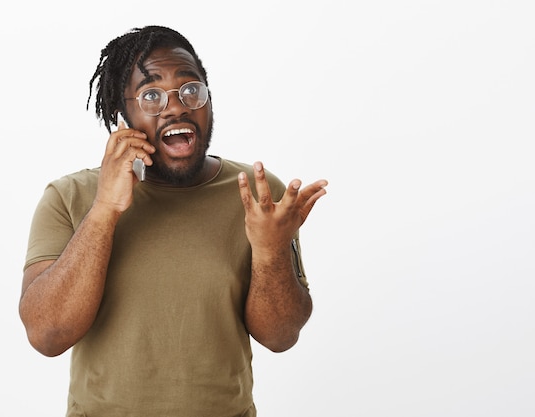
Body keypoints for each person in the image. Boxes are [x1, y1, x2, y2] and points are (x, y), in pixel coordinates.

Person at [19, 25, 328, 417]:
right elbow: (46, 336)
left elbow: (281, 336)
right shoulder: (68, 197)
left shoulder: (258, 194)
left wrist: (270, 252)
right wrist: (104, 211)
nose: (177, 106)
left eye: (191, 90)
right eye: (150, 95)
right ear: (122, 113)